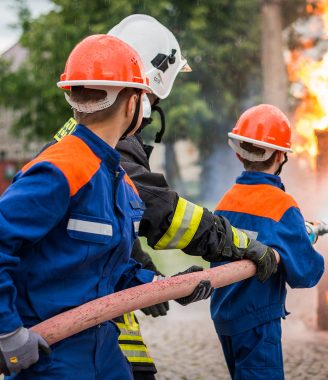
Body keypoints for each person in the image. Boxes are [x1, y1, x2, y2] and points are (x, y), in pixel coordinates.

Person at [46, 15, 279, 380]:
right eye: (149, 97)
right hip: (71, 323)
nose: (149, 109)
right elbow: (165, 213)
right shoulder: (104, 150)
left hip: (91, 305)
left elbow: (107, 227)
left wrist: (150, 282)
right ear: (135, 95)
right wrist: (239, 244)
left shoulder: (87, 141)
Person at [0, 34, 173, 379]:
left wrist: (158, 284)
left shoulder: (115, 178)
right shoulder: (60, 170)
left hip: (102, 347)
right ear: (133, 104)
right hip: (50, 356)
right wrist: (7, 332)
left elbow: (104, 265)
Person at [210, 104, 328, 380]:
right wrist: (304, 239)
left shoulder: (227, 200)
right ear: (280, 155)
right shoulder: (282, 205)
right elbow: (306, 273)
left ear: (239, 153)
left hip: (225, 315)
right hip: (257, 318)